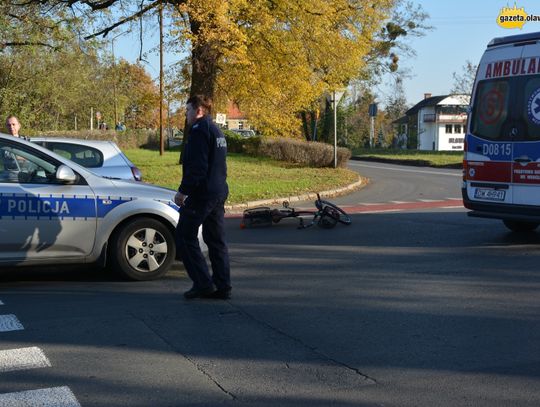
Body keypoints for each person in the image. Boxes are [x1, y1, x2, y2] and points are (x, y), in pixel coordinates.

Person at [174, 95, 231, 300]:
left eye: (188, 110)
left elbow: (198, 168)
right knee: (215, 240)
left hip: (203, 193)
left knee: (184, 236)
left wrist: (183, 191)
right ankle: (223, 285)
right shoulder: (216, 130)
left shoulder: (199, 132)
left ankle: (203, 284)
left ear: (199, 111)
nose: (186, 114)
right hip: (218, 191)